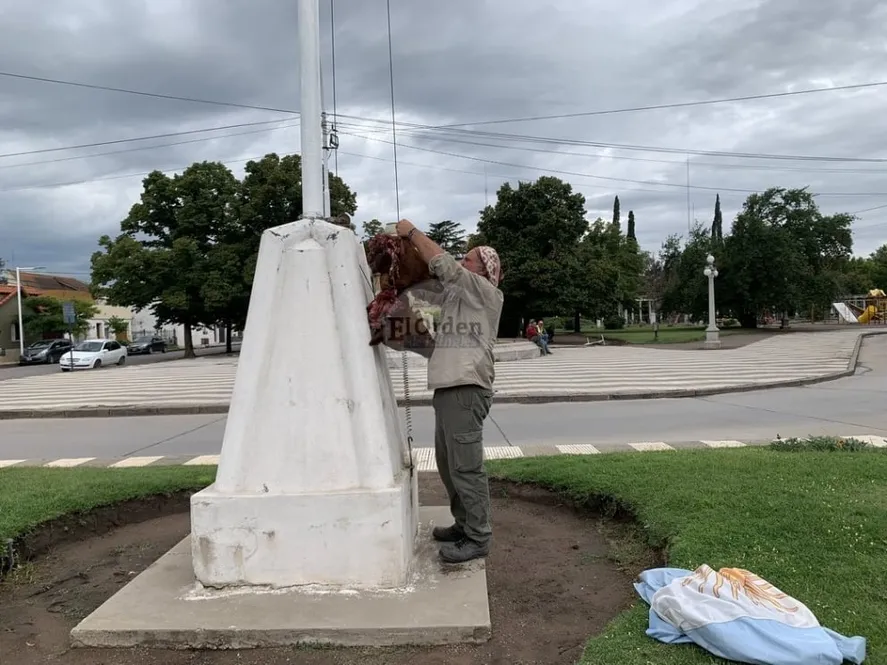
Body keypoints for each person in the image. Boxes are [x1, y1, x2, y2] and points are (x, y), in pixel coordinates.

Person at [395, 219, 504, 564]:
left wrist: (412, 233)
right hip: (449, 389)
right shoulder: (461, 300)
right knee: (448, 465)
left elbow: (442, 264)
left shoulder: (484, 291)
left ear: (484, 269)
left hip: (466, 388)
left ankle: (478, 537)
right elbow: (437, 345)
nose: (462, 261)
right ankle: (464, 524)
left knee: (466, 467)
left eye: (468, 259)